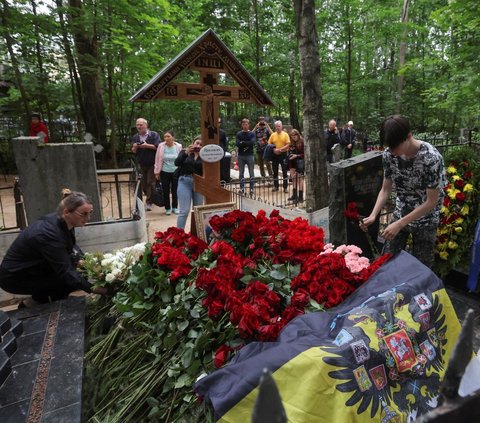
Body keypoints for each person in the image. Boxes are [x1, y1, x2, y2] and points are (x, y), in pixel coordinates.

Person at [360, 115, 446, 268]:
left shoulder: (431, 158)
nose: (392, 152)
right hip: (401, 212)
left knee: (421, 268)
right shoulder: (389, 155)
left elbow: (431, 202)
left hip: (426, 220)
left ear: (409, 136)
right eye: (389, 147)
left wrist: (399, 224)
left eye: (395, 147)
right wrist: (373, 215)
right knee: (386, 262)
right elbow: (385, 189)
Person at [0, 190, 108, 307]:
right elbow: (66, 272)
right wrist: (99, 290)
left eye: (90, 213)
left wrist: (88, 262)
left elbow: (72, 247)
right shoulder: (49, 233)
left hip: (35, 268)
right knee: (69, 280)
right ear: (67, 212)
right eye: (84, 214)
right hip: (15, 277)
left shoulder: (64, 221)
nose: (88, 218)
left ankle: (50, 300)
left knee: (80, 272)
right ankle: (32, 305)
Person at [175, 136, 204, 230]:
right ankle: (179, 234)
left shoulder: (206, 155)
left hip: (199, 183)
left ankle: (198, 234)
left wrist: (203, 154)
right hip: (185, 181)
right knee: (184, 210)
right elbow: (177, 163)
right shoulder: (185, 152)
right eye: (197, 143)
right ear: (193, 143)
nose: (198, 146)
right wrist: (187, 153)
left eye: (201, 144)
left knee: (198, 210)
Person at [131, 118, 160, 211]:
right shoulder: (135, 137)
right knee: (143, 184)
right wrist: (135, 147)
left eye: (141, 125)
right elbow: (133, 151)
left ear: (146, 125)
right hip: (141, 163)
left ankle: (149, 201)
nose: (139, 126)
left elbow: (158, 147)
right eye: (137, 125)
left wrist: (146, 145)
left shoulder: (154, 135)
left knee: (150, 182)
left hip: (152, 163)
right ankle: (153, 197)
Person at [154, 130, 182, 215]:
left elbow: (181, 159)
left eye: (168, 136)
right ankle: (167, 208)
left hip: (176, 172)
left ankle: (175, 207)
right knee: (165, 190)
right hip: (164, 171)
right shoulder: (161, 146)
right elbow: (157, 159)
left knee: (175, 190)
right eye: (165, 137)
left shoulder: (178, 146)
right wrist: (157, 172)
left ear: (173, 137)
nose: (166, 138)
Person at [268, 120, 291, 192]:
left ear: (281, 127)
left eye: (279, 126)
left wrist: (280, 149)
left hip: (283, 155)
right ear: (275, 127)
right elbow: (269, 144)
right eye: (276, 126)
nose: (277, 127)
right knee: (275, 171)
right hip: (275, 155)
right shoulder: (273, 135)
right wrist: (274, 149)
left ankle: (285, 187)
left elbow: (288, 144)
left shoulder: (285, 134)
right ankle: (276, 186)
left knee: (284, 171)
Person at [235, 118, 256, 194]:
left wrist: (243, 142)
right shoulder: (239, 134)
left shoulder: (252, 134)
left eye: (246, 124)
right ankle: (242, 188)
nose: (245, 126)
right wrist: (247, 142)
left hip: (250, 155)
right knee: (241, 173)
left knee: (251, 172)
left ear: (248, 125)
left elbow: (253, 142)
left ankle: (252, 189)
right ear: (242, 125)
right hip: (241, 156)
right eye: (243, 124)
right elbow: (237, 144)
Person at [287, 129, 305, 203]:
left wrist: (296, 156)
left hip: (299, 163)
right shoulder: (291, 143)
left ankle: (300, 197)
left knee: (300, 180)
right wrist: (289, 155)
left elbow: (305, 154)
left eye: (295, 135)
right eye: (292, 136)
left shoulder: (302, 142)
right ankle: (294, 195)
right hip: (292, 163)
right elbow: (289, 151)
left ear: (298, 135)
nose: (293, 137)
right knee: (294, 179)